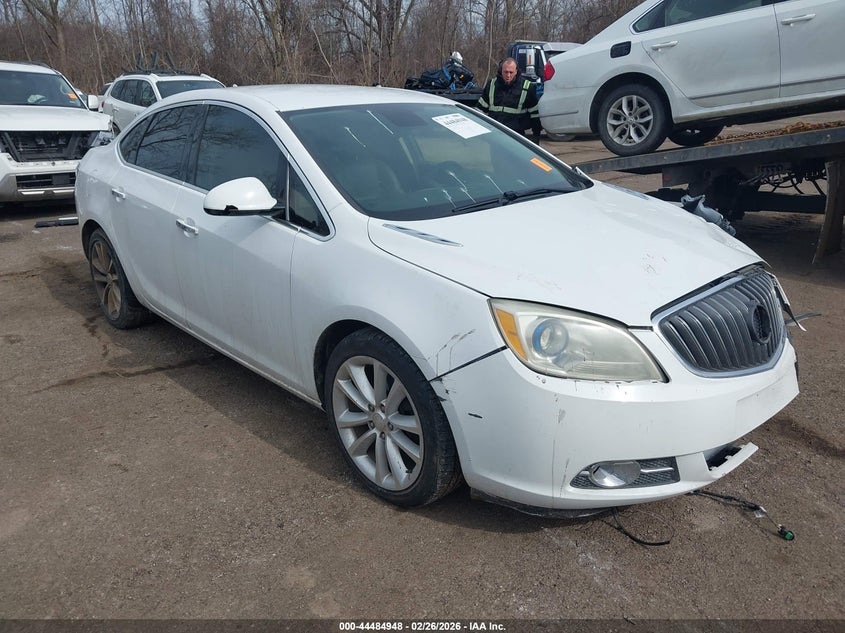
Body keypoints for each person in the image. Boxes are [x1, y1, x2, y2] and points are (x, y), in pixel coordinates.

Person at [476, 58, 542, 143]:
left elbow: (535, 115)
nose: (508, 75)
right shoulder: (491, 85)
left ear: (516, 71)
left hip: (516, 136)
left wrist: (536, 136)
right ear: (501, 71)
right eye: (505, 72)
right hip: (494, 135)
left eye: (511, 72)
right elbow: (480, 111)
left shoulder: (527, 87)